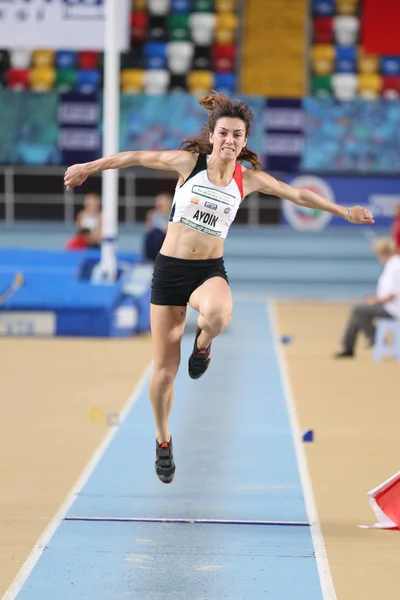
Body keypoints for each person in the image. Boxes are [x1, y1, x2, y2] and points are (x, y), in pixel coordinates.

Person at [64, 92, 374, 484]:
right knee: (163, 375)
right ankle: (163, 440)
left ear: (245, 141)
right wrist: (87, 167)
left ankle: (204, 343)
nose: (230, 140)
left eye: (237, 135)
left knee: (218, 314)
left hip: (207, 270)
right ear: (212, 136)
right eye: (223, 133)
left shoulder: (249, 179)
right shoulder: (187, 164)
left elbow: (297, 194)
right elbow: (133, 156)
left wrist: (344, 211)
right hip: (169, 272)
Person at [335, 238, 400, 358]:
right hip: (388, 305)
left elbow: (393, 294)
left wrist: (375, 301)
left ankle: (375, 339)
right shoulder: (391, 265)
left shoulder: (395, 267)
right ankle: (348, 347)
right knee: (358, 310)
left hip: (394, 308)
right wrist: (375, 299)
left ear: (384, 253)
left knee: (358, 310)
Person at [144, 193, 173, 262]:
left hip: (167, 241)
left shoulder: (173, 215)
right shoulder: (152, 214)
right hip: (155, 244)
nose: (161, 204)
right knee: (156, 234)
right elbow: (148, 230)